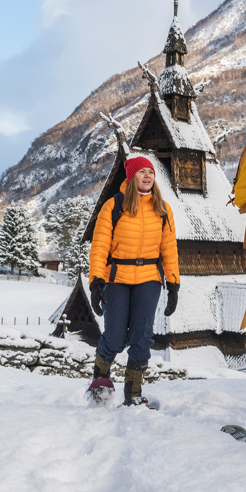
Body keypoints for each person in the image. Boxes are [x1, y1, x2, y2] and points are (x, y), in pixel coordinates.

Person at [88, 156, 180, 405]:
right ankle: (100, 379)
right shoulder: (113, 206)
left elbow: (169, 248)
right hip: (117, 276)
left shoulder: (162, 209)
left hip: (149, 277)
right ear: (131, 177)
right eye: (142, 172)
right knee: (115, 337)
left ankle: (134, 394)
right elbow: (99, 247)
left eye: (151, 172)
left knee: (142, 337)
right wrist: (96, 282)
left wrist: (173, 284)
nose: (148, 176)